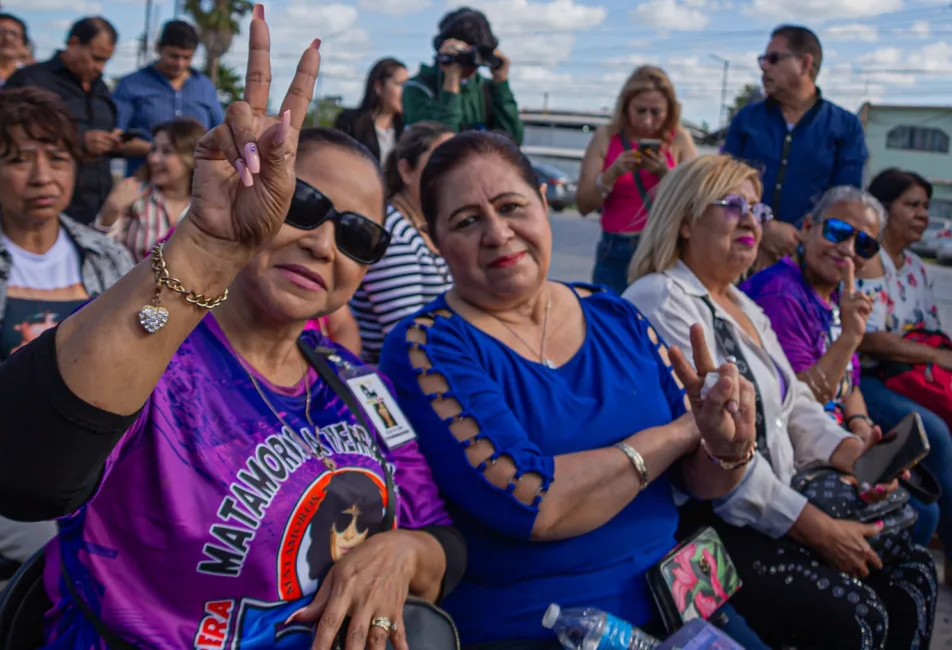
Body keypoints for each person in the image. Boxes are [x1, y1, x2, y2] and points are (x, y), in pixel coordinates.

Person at [0, 13, 465, 648]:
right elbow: (18, 473)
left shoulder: (356, 381)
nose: (323, 244)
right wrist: (203, 247)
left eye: (358, 236)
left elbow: (444, 539)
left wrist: (404, 552)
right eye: (302, 204)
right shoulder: (152, 355)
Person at [378, 131, 769, 649]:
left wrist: (729, 447)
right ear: (434, 240)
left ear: (543, 204)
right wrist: (679, 432)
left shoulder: (616, 315)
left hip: (686, 602)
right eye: (467, 221)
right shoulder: (427, 344)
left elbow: (701, 481)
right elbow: (536, 504)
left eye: (511, 206)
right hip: (545, 629)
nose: (497, 233)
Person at [623, 155, 936, 649]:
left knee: (913, 575)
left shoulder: (741, 303)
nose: (753, 220)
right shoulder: (663, 301)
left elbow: (794, 407)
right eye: (732, 205)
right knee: (857, 616)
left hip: (773, 498)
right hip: (711, 520)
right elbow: (716, 459)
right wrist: (817, 528)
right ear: (684, 221)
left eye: (759, 210)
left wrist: (849, 452)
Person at [0, 87, 133, 610]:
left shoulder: (107, 258)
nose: (42, 177)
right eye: (19, 160)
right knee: (96, 553)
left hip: (106, 465)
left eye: (58, 158)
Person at [741, 186, 942, 547]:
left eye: (864, 245)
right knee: (918, 515)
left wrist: (861, 426)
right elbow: (803, 398)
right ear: (807, 226)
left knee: (922, 500)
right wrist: (851, 336)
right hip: (796, 448)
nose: (848, 249)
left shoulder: (833, 295)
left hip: (836, 437)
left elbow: (851, 384)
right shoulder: (782, 293)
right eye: (837, 232)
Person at [858, 168, 952, 578]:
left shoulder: (915, 266)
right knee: (937, 433)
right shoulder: (866, 258)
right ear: (882, 209)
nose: (922, 216)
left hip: (911, 377)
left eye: (925, 208)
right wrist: (933, 359)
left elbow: (925, 332)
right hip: (870, 378)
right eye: (911, 205)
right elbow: (869, 339)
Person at [723, 25, 867, 272]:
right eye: (763, 59)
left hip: (808, 264)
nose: (764, 66)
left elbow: (845, 200)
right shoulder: (746, 119)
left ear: (805, 63)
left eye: (773, 58)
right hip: (742, 255)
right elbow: (723, 182)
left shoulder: (845, 126)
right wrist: (764, 227)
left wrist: (800, 238)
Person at [5, 17, 147, 225]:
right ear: (73, 44)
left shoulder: (101, 88)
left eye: (106, 60)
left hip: (97, 206)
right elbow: (12, 138)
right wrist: (78, 142)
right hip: (48, 206)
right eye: (96, 58)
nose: (100, 68)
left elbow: (106, 132)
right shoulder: (30, 81)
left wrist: (115, 142)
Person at [575, 65, 697, 294]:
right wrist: (612, 174)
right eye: (640, 111)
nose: (648, 121)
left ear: (670, 111)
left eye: (656, 112)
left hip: (662, 249)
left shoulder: (679, 138)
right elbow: (583, 204)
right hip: (616, 250)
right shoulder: (607, 137)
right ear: (626, 106)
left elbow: (697, 201)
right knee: (610, 323)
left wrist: (666, 175)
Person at [351, 122, 454, 362]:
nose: (455, 174)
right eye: (441, 164)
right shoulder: (394, 235)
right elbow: (408, 337)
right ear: (406, 170)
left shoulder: (427, 227)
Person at [113, 20, 224, 177]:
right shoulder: (131, 85)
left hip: (194, 187)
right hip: (144, 183)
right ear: (159, 48)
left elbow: (220, 134)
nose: (180, 64)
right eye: (174, 56)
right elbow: (116, 136)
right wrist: (154, 150)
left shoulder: (205, 87)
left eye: (187, 58)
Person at [403, 7, 523, 144]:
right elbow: (439, 145)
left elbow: (512, 142)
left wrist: (501, 83)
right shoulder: (418, 88)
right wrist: (451, 81)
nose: (472, 66)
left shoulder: (486, 89)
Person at [95, 118, 204, 262]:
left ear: (191, 158)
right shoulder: (134, 197)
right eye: (153, 149)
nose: (153, 159)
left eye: (166, 151)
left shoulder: (205, 207)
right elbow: (98, 254)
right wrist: (110, 211)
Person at [333, 58, 407, 164]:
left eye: (408, 85)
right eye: (400, 84)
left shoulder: (406, 129)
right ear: (379, 87)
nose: (406, 91)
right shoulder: (350, 122)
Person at [0, 11, 29, 84]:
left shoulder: (30, 77)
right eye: (0, 32)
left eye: (14, 34)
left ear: (23, 44)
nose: (8, 38)